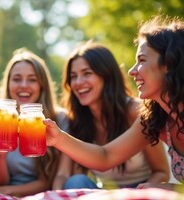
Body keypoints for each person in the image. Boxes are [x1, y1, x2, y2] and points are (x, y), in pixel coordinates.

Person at [44, 16, 184, 196]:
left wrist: (173, 190)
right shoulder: (157, 116)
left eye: (141, 60)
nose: (132, 72)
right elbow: (106, 156)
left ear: (169, 64)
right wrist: (57, 138)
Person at [52, 41, 169, 190]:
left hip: (140, 190)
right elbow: (64, 174)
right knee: (76, 182)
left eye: (87, 73)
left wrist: (138, 195)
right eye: (73, 76)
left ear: (106, 76)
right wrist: (55, 198)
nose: (78, 82)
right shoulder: (76, 121)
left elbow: (161, 171)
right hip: (105, 193)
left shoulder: (138, 111)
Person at [0, 48, 70, 197]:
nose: (24, 85)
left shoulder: (59, 119)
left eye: (32, 79)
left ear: (42, 85)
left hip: (40, 194)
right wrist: (1, 155)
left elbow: (48, 181)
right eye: (17, 79)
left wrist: (5, 191)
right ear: (8, 83)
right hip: (5, 193)